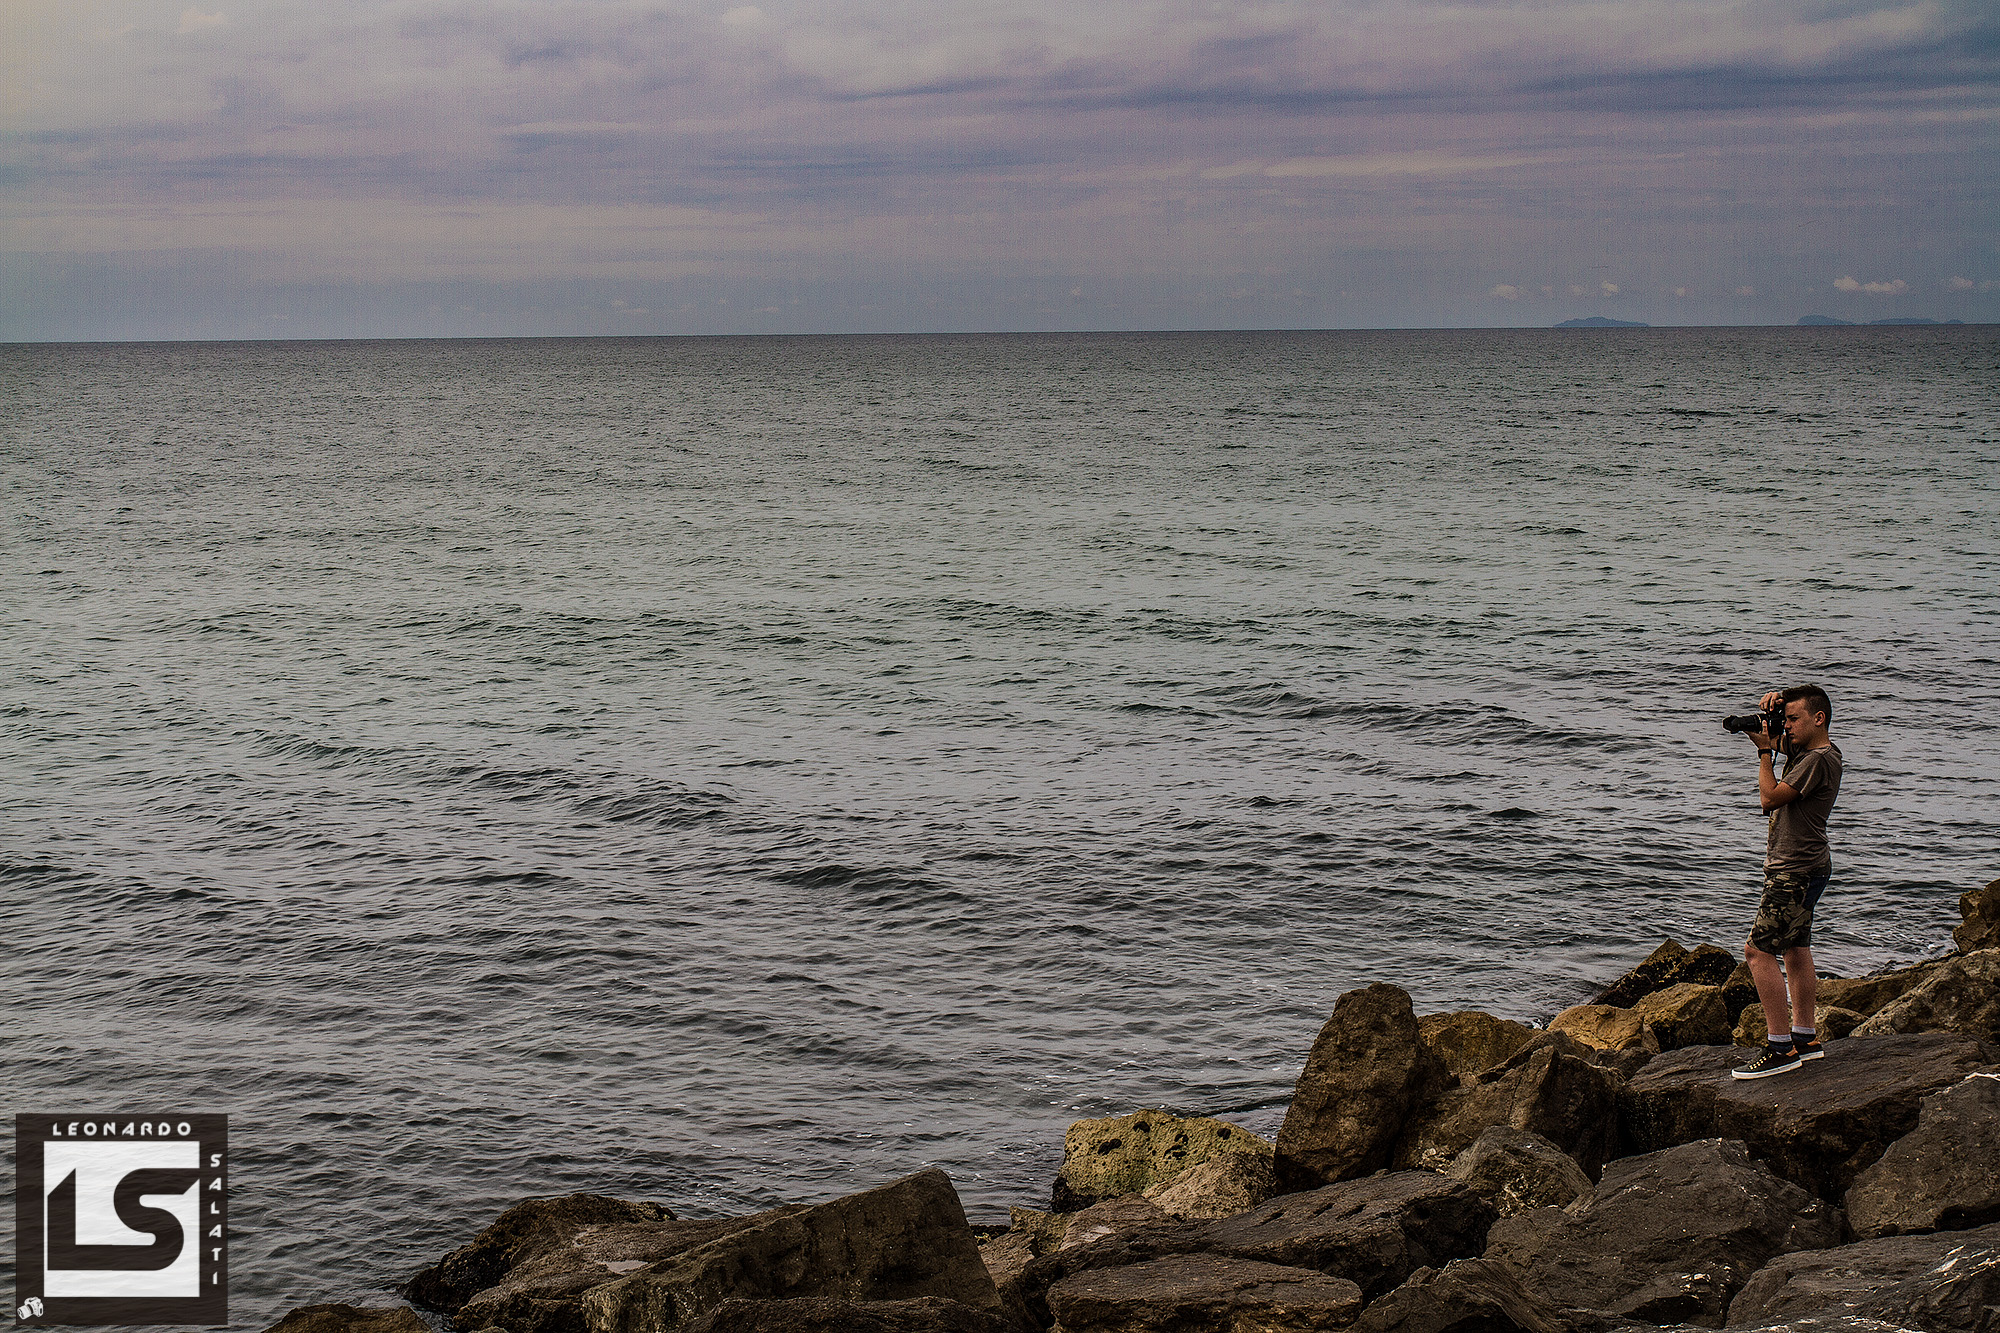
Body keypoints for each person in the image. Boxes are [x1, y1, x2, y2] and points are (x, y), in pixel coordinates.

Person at [1732, 684, 1843, 1079]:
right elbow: (1785, 743)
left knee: (1757, 953)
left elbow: (1770, 797)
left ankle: (1780, 1048)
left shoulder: (1816, 760)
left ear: (1819, 719)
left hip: (1794, 870)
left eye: (1795, 719)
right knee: (1795, 947)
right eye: (1786, 720)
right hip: (1810, 865)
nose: (1788, 727)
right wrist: (1772, 713)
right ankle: (1805, 1038)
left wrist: (1764, 753)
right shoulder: (1819, 754)